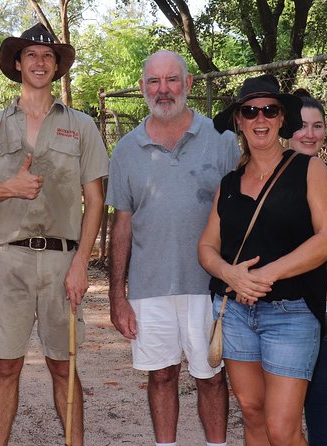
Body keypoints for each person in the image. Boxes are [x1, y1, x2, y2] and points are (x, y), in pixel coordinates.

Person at [0, 24, 108, 446]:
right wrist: (8, 188)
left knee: (64, 365)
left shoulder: (81, 126)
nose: (39, 62)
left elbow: (95, 201)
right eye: (31, 55)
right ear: (18, 64)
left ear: (56, 67)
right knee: (6, 367)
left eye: (47, 56)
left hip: (63, 261)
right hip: (11, 260)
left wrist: (81, 264)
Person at [199, 74, 327, 445]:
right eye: (250, 111)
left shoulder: (310, 170)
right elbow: (206, 248)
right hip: (235, 314)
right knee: (252, 414)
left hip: (291, 313)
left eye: (269, 110)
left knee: (282, 428)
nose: (259, 119)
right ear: (238, 122)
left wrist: (263, 276)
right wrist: (231, 274)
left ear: (282, 120)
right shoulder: (228, 184)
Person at [107, 50, 238, 446]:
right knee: (161, 375)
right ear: (143, 87)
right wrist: (117, 294)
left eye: (171, 80)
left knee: (212, 376)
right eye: (153, 81)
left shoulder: (222, 139)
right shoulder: (127, 149)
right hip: (150, 286)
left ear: (189, 83)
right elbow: (122, 224)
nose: (163, 90)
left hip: (211, 285)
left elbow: (242, 210)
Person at [290, 89, 327, 446]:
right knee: (295, 391)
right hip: (289, 303)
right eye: (301, 126)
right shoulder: (268, 180)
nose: (310, 134)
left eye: (317, 126)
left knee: (323, 384)